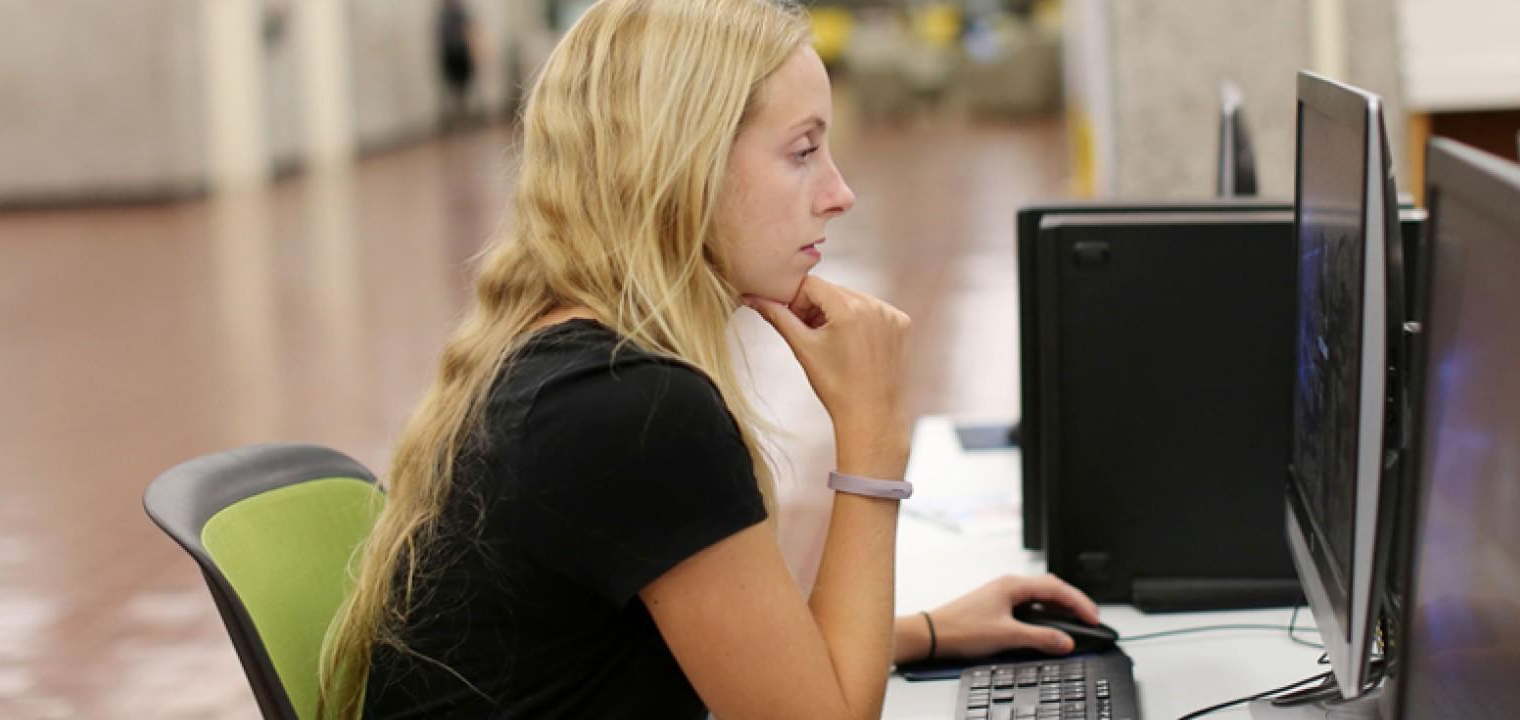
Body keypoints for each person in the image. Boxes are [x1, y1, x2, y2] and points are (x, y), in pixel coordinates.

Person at [320, 1, 1101, 717]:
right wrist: (870, 431)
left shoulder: (563, 358)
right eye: (803, 152)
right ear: (682, 165)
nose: (839, 193)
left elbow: (662, 648)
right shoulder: (630, 407)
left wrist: (922, 630)